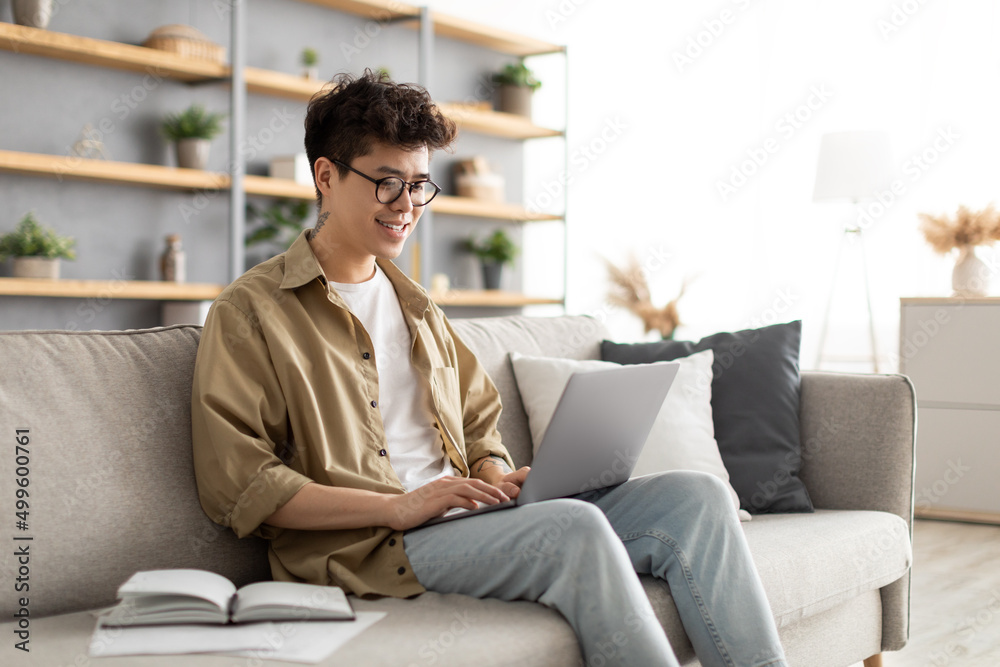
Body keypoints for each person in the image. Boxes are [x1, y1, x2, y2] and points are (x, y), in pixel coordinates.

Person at [191, 70, 788, 667]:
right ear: (326, 176)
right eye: (387, 183)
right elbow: (242, 485)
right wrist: (397, 506)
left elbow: (478, 426)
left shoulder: (418, 307)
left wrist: (497, 474)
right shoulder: (250, 312)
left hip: (465, 520)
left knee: (698, 498)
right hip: (372, 546)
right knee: (573, 529)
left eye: (419, 185)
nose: (406, 206)